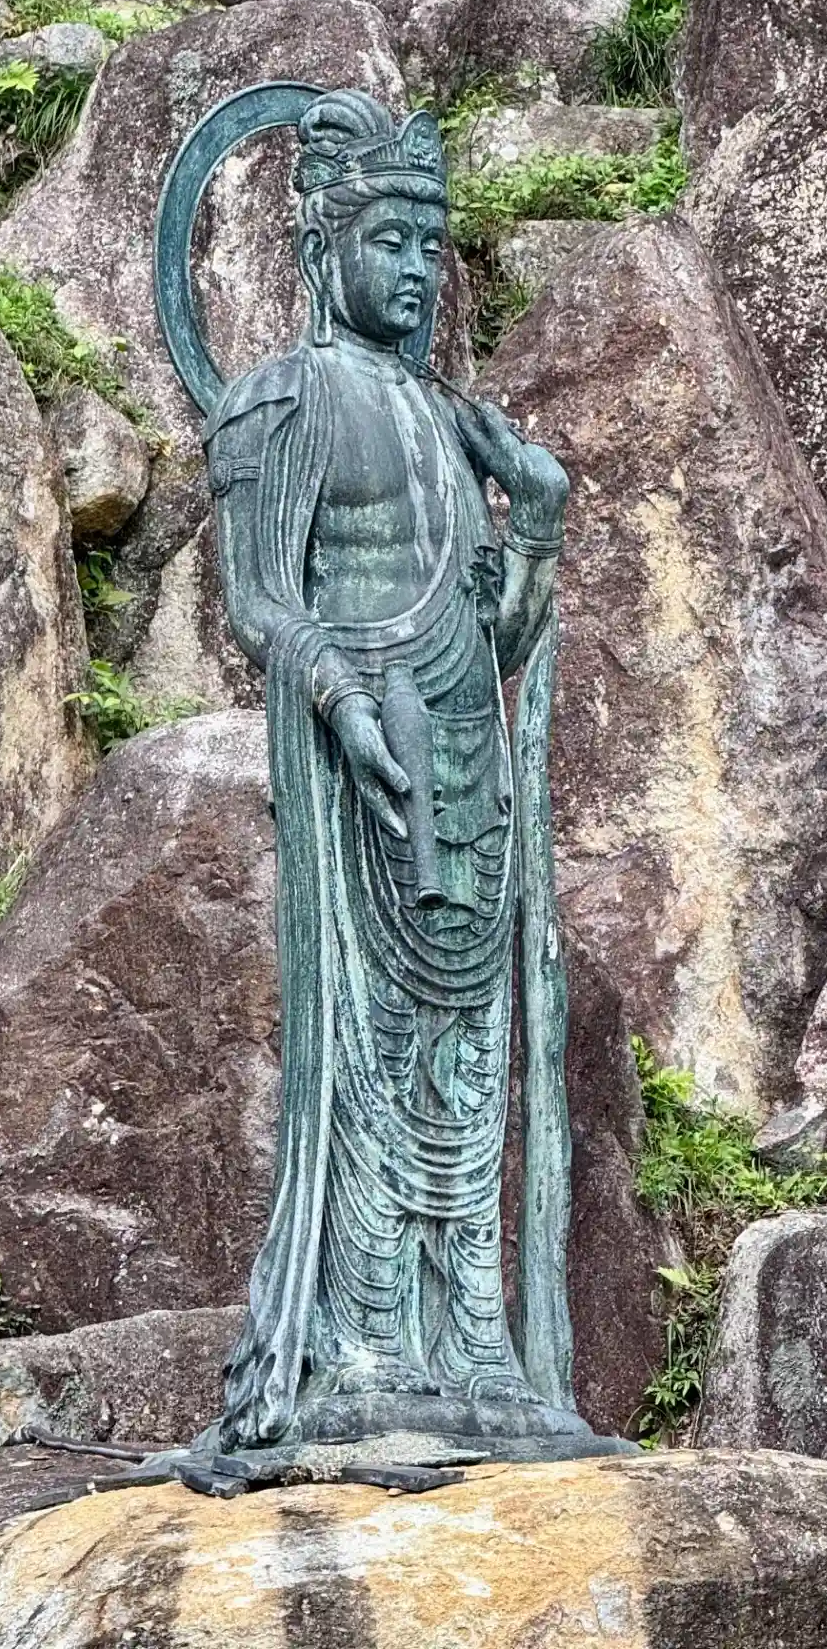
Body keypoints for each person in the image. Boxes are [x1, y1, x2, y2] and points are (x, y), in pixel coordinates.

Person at [203, 89, 577, 1452]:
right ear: (324, 248)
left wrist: (534, 521)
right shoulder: (285, 399)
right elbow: (258, 599)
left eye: (432, 244)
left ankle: (471, 1337)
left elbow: (503, 635)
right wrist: (335, 690)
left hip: (463, 744)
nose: (418, 269)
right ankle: (364, 1332)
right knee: (368, 1039)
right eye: (391, 241)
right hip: (362, 742)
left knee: (465, 1040)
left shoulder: (450, 417)